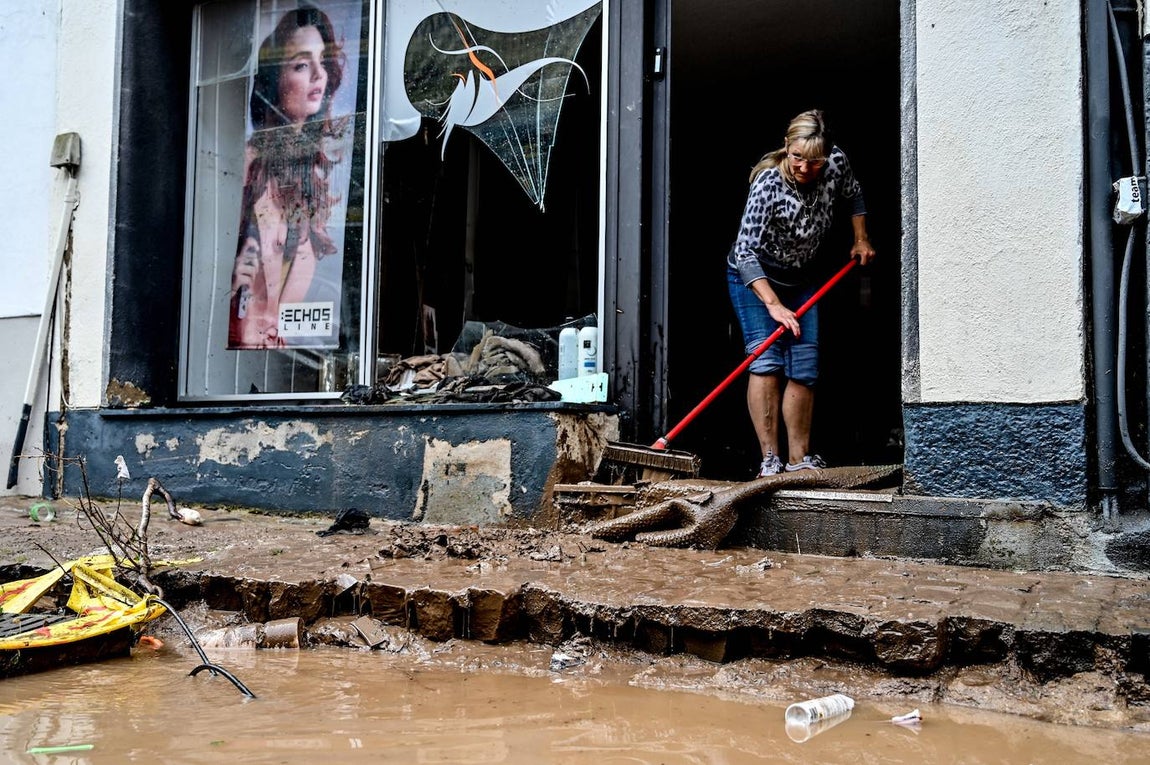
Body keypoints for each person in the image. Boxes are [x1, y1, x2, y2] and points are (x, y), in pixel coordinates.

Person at [726, 109, 875, 477]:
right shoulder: (767, 184)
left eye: (815, 162)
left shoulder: (837, 164)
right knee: (766, 361)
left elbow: (855, 196)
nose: (805, 168)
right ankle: (770, 460)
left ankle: (799, 460)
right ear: (786, 147)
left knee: (804, 367)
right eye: (797, 158)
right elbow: (745, 253)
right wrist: (774, 305)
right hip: (755, 278)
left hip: (801, 279)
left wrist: (861, 238)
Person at [229, 3, 348, 349]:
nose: (318, 74)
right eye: (300, 64)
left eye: (322, 61)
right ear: (274, 81)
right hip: (246, 349)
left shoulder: (310, 180)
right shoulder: (248, 169)